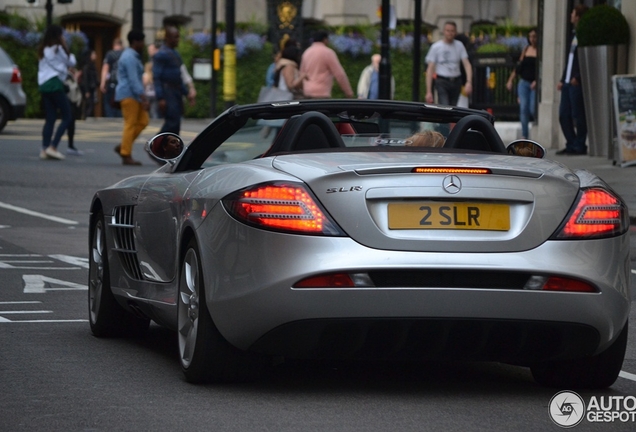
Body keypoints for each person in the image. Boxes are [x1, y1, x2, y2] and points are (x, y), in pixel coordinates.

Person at [37, 25, 77, 161]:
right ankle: (53, 147)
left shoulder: (43, 49)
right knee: (67, 116)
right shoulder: (58, 49)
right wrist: (65, 46)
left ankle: (44, 148)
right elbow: (71, 61)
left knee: (50, 118)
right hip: (55, 83)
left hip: (44, 85)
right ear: (58, 36)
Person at [556, 5, 589, 155]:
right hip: (568, 82)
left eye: (573, 13)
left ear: (578, 16)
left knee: (578, 114)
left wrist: (579, 77)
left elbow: (586, 60)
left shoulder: (584, 35)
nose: (570, 15)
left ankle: (580, 145)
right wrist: (563, 79)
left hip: (576, 82)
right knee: (564, 114)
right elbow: (570, 60)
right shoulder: (574, 35)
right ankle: (571, 143)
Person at [114, 30, 149, 166]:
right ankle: (126, 154)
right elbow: (134, 80)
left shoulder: (132, 56)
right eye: (142, 41)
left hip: (132, 94)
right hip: (129, 94)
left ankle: (124, 146)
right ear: (136, 42)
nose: (143, 44)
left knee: (143, 121)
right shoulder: (130, 57)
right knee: (130, 124)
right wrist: (143, 97)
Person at [153, 26, 195, 135]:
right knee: (172, 122)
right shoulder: (161, 54)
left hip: (176, 92)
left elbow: (178, 78)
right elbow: (156, 77)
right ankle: (154, 144)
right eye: (175, 37)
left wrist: (186, 93)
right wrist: (160, 98)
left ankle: (171, 149)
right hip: (168, 92)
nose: (177, 40)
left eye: (178, 37)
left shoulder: (175, 54)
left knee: (176, 124)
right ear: (167, 38)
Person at [425, 21, 473, 106]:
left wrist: (468, 82)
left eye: (452, 31)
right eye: (447, 30)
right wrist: (428, 91)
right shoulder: (436, 47)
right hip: (442, 81)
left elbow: (467, 64)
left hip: (456, 80)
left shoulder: (459, 45)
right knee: (445, 105)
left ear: (455, 32)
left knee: (454, 107)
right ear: (443, 31)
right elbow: (430, 68)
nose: (450, 33)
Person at [300, 30, 354, 99]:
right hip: (322, 93)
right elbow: (339, 74)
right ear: (325, 39)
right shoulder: (328, 53)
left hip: (307, 92)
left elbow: (302, 73)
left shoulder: (307, 52)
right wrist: (348, 92)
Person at [506, 28, 538, 139]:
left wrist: (537, 81)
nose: (532, 39)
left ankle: (537, 126)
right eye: (530, 37)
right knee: (523, 108)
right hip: (524, 82)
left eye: (534, 36)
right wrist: (510, 80)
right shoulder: (526, 49)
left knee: (533, 109)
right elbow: (518, 67)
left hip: (534, 84)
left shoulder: (540, 51)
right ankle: (525, 135)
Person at [100, 38, 123, 118]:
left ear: (114, 45)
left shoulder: (110, 54)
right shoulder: (124, 54)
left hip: (111, 83)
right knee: (120, 106)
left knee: (109, 104)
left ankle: (110, 120)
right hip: (122, 84)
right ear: (121, 45)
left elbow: (105, 68)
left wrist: (103, 83)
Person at [65, 67, 84, 155]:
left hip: (73, 102)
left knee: (71, 123)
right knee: (67, 122)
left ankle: (70, 145)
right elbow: (70, 89)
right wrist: (76, 78)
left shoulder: (71, 74)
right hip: (68, 101)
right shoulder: (66, 75)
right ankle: (52, 144)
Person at [81, 49, 99, 119]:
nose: (95, 56)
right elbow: (85, 79)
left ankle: (88, 117)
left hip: (93, 87)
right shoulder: (87, 67)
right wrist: (86, 91)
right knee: (89, 105)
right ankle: (86, 117)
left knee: (92, 104)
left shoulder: (93, 66)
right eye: (93, 54)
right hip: (89, 88)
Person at [143, 43, 158, 119]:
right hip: (154, 94)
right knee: (154, 111)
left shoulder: (146, 75)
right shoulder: (154, 76)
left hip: (147, 94)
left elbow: (144, 84)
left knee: (146, 111)